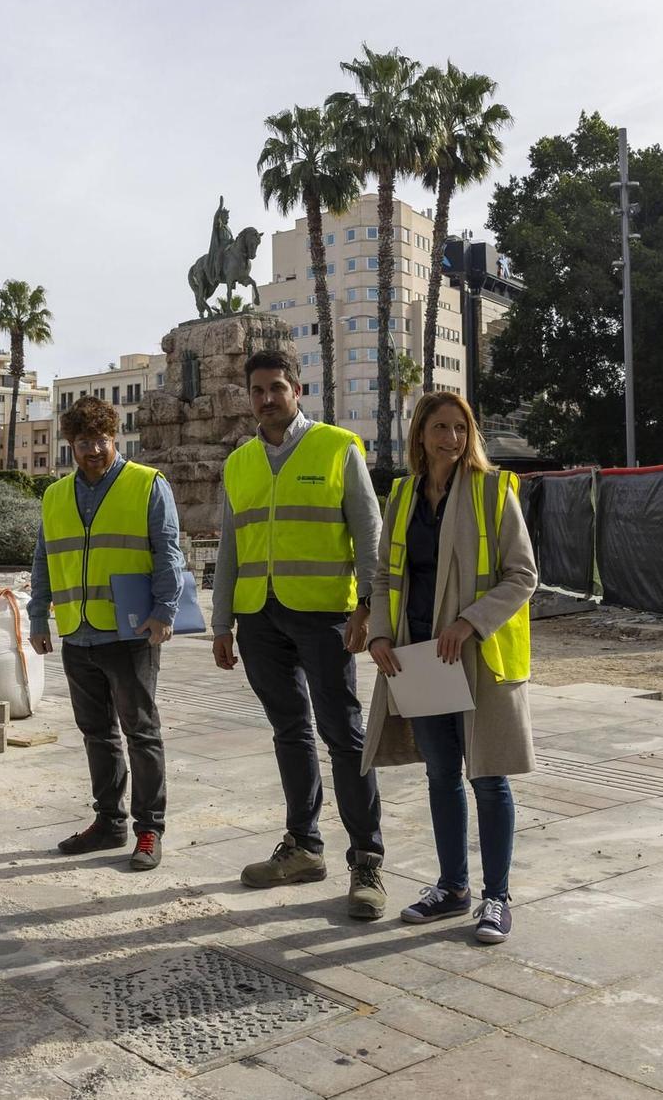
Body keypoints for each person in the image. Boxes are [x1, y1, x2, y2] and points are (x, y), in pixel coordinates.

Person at [212, 349, 388, 919]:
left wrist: (368, 607)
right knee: (290, 731)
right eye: (258, 390)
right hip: (259, 617)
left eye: (277, 388)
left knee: (345, 735)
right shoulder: (238, 462)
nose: (267, 399)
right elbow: (229, 548)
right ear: (250, 396)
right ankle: (304, 848)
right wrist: (222, 623)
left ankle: (366, 861)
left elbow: (369, 533)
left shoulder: (338, 447)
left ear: (297, 390)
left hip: (323, 617)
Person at [362, 393, 537, 944]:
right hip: (419, 657)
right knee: (440, 776)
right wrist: (380, 633)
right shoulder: (404, 495)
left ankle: (497, 897)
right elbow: (386, 577)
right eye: (440, 427)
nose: (452, 439)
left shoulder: (492, 490)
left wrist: (468, 622)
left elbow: (522, 575)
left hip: (478, 657)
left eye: (460, 428)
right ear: (420, 434)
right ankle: (453, 887)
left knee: (487, 777)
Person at [29, 396, 183, 871]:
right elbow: (44, 558)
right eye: (81, 442)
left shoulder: (146, 484)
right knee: (97, 734)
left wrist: (165, 610)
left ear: (115, 437)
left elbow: (168, 552)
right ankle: (109, 822)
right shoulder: (55, 495)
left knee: (141, 732)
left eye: (99, 440)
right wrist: (38, 616)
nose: (92, 450)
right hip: (78, 632)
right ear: (69, 445)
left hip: (131, 631)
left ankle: (148, 829)